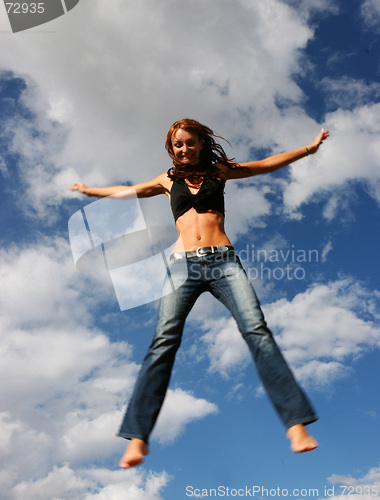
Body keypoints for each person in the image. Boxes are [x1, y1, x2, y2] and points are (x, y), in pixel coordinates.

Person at [70, 118, 329, 469]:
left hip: (223, 261)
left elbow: (266, 163)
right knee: (163, 341)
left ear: (200, 144)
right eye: (178, 144)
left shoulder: (219, 172)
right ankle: (137, 437)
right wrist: (91, 191)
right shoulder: (167, 180)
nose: (184, 148)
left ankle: (295, 424)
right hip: (182, 266)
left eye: (190, 142)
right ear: (171, 148)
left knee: (257, 331)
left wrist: (308, 149)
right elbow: (128, 191)